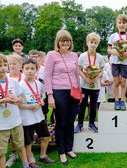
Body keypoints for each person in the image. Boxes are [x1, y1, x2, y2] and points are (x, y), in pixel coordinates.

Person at [0, 53, 29, 168]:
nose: (3, 68)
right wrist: (3, 101)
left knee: (20, 145)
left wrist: (16, 99)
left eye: (5, 65)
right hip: (0, 125)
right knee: (0, 151)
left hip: (15, 121)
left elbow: (20, 97)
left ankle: (26, 165)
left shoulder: (13, 82)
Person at [44, 29, 80, 166]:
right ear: (58, 42)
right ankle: (61, 151)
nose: (65, 43)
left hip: (73, 92)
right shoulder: (51, 55)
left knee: (71, 121)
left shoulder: (74, 56)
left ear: (70, 42)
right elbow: (47, 76)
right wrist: (50, 95)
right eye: (62, 40)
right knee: (61, 122)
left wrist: (79, 92)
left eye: (68, 40)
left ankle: (69, 148)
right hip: (58, 91)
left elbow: (76, 75)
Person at [19, 59, 55, 168]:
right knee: (28, 141)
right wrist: (30, 106)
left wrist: (42, 102)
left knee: (46, 136)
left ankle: (43, 156)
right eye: (27, 68)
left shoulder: (39, 83)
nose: (30, 71)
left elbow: (41, 97)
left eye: (32, 68)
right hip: (27, 119)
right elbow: (19, 105)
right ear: (22, 70)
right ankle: (30, 161)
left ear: (36, 70)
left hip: (39, 117)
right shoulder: (19, 85)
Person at [75, 32, 105, 133]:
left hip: (95, 86)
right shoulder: (82, 56)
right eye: (91, 42)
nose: (93, 44)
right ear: (87, 43)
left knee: (93, 105)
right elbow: (78, 69)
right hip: (84, 85)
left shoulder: (100, 57)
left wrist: (96, 78)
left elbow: (101, 70)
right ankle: (80, 124)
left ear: (98, 44)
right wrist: (86, 78)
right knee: (82, 105)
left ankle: (92, 124)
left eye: (95, 42)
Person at [107, 14, 127, 111]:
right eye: (119, 22)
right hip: (115, 62)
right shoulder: (113, 36)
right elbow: (109, 49)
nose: (121, 24)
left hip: (125, 62)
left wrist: (126, 54)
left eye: (123, 22)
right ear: (116, 24)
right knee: (116, 82)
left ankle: (122, 100)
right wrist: (115, 52)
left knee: (123, 82)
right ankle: (116, 101)